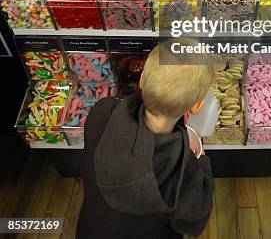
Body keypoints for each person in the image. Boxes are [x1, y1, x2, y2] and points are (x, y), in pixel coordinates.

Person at [76, 39, 215, 239]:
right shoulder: (185, 170)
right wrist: (201, 161)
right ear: (196, 107)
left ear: (141, 79)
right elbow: (192, 222)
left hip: (92, 229)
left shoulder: (103, 111)